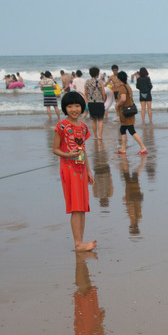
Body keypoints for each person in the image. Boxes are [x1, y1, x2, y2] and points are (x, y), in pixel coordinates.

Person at [53, 91, 96, 252]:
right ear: (65, 108)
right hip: (69, 170)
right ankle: (78, 243)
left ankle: (81, 242)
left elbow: (83, 150)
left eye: (77, 106)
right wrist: (68, 155)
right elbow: (55, 149)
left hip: (81, 170)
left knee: (82, 207)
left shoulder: (83, 127)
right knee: (76, 207)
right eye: (70, 106)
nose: (74, 109)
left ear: (82, 107)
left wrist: (89, 171)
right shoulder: (62, 126)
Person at [114, 71, 147, 155]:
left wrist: (117, 104)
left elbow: (123, 99)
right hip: (129, 111)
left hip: (125, 112)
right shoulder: (128, 86)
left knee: (131, 130)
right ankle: (123, 149)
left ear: (119, 79)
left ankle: (142, 147)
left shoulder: (122, 88)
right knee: (123, 129)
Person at [84, 67, 105, 137]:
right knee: (100, 120)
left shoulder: (87, 82)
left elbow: (86, 93)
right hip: (100, 102)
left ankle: (95, 136)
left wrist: (87, 101)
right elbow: (103, 92)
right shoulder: (100, 82)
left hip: (91, 102)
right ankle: (100, 135)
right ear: (97, 74)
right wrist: (104, 99)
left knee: (94, 120)